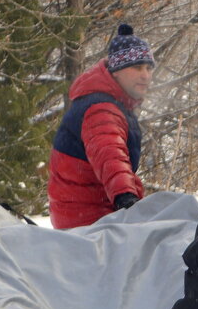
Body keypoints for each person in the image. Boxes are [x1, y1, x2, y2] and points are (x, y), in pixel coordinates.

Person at [47, 23, 154, 228]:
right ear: (116, 71)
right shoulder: (102, 109)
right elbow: (110, 155)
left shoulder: (109, 102)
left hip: (85, 215)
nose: (145, 75)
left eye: (149, 68)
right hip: (91, 223)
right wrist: (125, 196)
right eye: (137, 67)